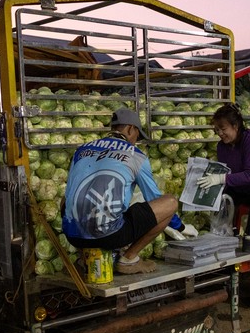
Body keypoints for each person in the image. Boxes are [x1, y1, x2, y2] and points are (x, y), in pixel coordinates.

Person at [62, 108, 196, 275]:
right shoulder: (135, 155)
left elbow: (70, 193)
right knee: (169, 203)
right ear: (131, 129)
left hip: (72, 235)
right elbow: (155, 198)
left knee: (67, 199)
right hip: (109, 236)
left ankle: (84, 258)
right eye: (137, 137)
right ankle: (129, 260)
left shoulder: (82, 150)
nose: (135, 141)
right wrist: (181, 227)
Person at [197, 103, 250, 252]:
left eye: (223, 129)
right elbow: (227, 172)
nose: (220, 133)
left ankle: (249, 236)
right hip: (245, 190)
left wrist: (220, 178)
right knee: (224, 194)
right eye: (217, 130)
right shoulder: (222, 146)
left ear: (235, 126)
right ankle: (223, 231)